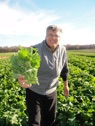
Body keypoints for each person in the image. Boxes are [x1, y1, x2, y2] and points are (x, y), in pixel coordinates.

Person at [18, 25, 69, 126]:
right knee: (34, 122)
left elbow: (64, 69)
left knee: (50, 120)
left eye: (56, 35)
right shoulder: (35, 49)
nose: (53, 38)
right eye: (50, 34)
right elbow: (22, 68)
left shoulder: (63, 50)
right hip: (34, 91)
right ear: (45, 35)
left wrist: (65, 85)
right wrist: (19, 78)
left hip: (51, 91)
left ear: (60, 38)